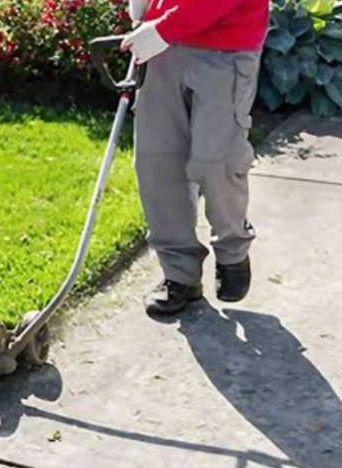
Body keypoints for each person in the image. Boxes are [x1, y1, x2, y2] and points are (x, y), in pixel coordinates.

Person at [120, 0, 270, 315]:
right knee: (157, 162)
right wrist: (141, 8)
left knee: (217, 161)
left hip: (226, 47)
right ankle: (180, 275)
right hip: (160, 47)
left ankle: (232, 249)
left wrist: (163, 29)